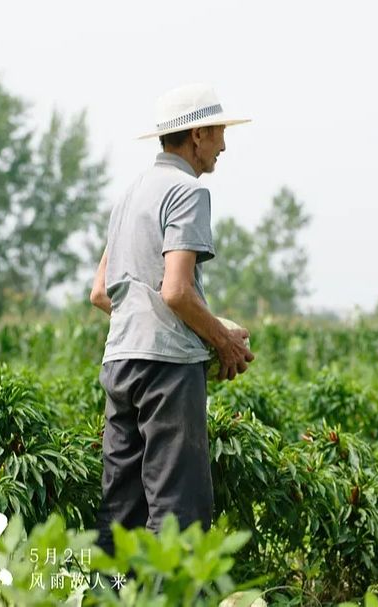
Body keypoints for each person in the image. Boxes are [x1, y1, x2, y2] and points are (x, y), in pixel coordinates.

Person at [88, 83, 255, 554]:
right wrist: (222, 341)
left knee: (121, 509)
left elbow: (103, 293)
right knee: (177, 508)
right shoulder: (187, 192)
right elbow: (177, 291)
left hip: (120, 362)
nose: (223, 144)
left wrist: (211, 322)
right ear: (197, 135)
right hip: (166, 370)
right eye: (220, 131)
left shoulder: (131, 194)